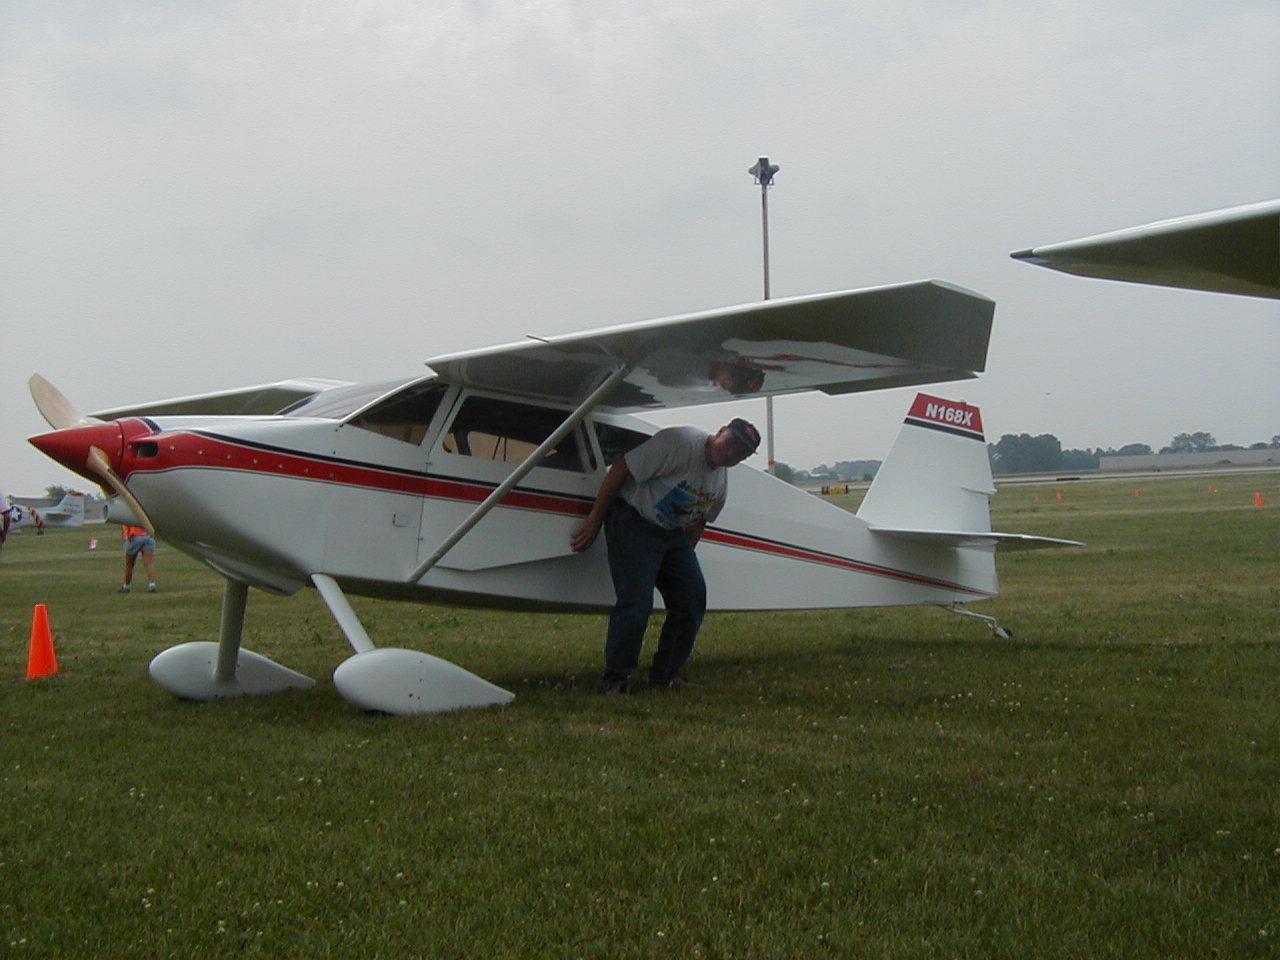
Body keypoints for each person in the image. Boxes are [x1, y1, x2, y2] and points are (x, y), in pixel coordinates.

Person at [570, 417, 761, 693]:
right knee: (636, 601)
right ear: (720, 431)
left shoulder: (719, 481)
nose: (732, 453)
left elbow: (700, 519)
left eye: (741, 452)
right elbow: (622, 468)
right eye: (731, 442)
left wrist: (682, 563)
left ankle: (666, 674)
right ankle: (617, 680)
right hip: (634, 520)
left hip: (671, 533)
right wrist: (594, 520)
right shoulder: (681, 443)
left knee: (692, 597)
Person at [119, 524, 158, 592]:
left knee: (130, 564)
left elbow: (125, 524)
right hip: (147, 535)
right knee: (149, 563)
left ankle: (127, 585)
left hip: (134, 536)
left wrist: (127, 535)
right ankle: (152, 584)